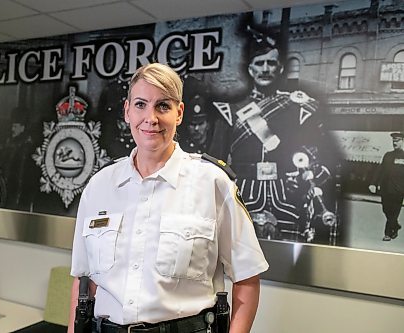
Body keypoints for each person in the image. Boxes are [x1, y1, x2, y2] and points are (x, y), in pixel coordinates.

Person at [68, 63, 268, 333]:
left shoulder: (213, 183)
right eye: (140, 104)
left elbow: (247, 277)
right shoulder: (99, 186)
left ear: (179, 113)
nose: (150, 118)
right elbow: (84, 281)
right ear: (127, 111)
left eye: (163, 106)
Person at [209, 27, 337, 244]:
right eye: (260, 63)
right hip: (243, 193)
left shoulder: (300, 107)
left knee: (286, 261)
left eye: (271, 63)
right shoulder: (230, 111)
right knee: (241, 261)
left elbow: (322, 158)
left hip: (288, 194)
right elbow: (215, 162)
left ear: (280, 69)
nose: (265, 69)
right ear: (251, 69)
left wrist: (306, 183)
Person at [369, 132, 404, 241]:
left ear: (402, 141)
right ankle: (395, 225)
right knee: (386, 210)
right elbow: (380, 170)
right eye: (393, 140)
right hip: (386, 190)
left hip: (399, 191)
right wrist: (373, 183)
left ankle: (388, 233)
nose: (395, 142)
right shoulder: (388, 155)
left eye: (397, 140)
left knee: (394, 212)